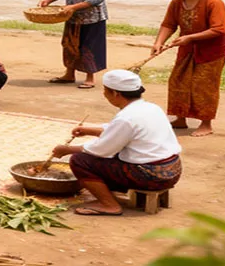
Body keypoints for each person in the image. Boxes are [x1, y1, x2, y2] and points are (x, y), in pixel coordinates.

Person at [53, 70, 183, 216]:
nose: (104, 94)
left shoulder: (126, 118)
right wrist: (89, 130)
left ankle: (109, 205)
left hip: (150, 176)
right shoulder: (151, 108)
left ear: (116, 94)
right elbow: (121, 133)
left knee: (80, 161)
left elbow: (102, 149)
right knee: (109, 155)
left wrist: (67, 149)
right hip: (173, 171)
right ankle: (109, 195)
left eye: (105, 91)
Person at [152, 0, 225, 137]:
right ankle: (181, 118)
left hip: (211, 51)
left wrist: (190, 38)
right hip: (187, 49)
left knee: (204, 86)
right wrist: (159, 43)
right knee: (179, 81)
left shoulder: (213, 3)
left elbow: (219, 29)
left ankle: (206, 123)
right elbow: (169, 24)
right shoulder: (176, 3)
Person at [40, 0, 108, 89]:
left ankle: (90, 77)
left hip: (92, 18)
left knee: (89, 47)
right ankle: (69, 73)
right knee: (69, 45)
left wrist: (74, 7)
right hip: (71, 16)